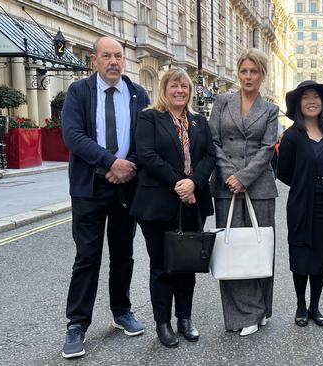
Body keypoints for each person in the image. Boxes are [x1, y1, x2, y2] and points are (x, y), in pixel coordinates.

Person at [61, 36, 150, 359]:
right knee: (87, 256)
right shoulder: (79, 92)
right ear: (94, 60)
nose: (114, 62)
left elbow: (147, 138)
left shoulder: (138, 93)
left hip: (127, 186)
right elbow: (73, 135)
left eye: (119, 56)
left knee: (124, 254)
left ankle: (121, 310)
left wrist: (129, 166)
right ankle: (76, 324)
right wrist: (109, 162)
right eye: (107, 56)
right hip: (91, 187)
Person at [131, 67, 216, 347]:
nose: (180, 91)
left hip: (193, 203)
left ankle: (185, 320)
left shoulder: (199, 121)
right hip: (158, 204)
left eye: (184, 87)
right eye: (174, 86)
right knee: (162, 267)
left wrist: (195, 184)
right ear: (164, 90)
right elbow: (147, 155)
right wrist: (182, 184)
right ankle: (163, 323)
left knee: (187, 264)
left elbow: (209, 156)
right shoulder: (149, 118)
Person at [208, 48, 279, 337]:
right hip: (226, 187)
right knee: (232, 250)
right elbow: (211, 141)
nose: (248, 76)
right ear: (238, 73)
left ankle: (259, 309)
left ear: (262, 75)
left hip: (260, 187)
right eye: (244, 71)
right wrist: (230, 174)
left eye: (254, 71)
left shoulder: (270, 109)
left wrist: (245, 177)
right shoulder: (223, 102)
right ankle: (242, 313)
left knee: (258, 249)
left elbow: (267, 149)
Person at [277, 80, 323, 327]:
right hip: (302, 205)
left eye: (316, 97)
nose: (312, 101)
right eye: (306, 98)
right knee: (301, 255)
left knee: (321, 256)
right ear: (298, 105)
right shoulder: (292, 136)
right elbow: (283, 171)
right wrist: (304, 183)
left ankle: (315, 305)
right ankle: (301, 305)